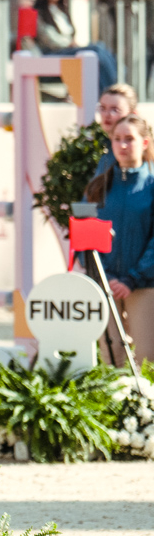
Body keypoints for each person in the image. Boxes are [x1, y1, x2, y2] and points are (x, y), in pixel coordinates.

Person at [88, 112, 154, 359]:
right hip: (105, 284)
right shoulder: (98, 186)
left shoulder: (151, 186)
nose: (122, 145)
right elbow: (86, 235)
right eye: (117, 139)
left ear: (144, 143)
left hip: (144, 285)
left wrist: (131, 278)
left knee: (147, 357)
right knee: (111, 354)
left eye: (129, 139)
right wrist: (105, 276)